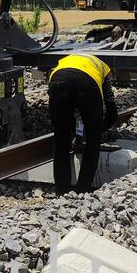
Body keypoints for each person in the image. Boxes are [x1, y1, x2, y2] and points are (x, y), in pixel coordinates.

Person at [47, 53, 118, 195]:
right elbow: (112, 114)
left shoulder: (64, 62)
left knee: (61, 139)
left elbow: (67, 109)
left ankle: (62, 190)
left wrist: (77, 134)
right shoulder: (103, 70)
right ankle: (81, 191)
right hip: (87, 84)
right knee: (93, 144)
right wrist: (95, 131)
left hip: (58, 81)